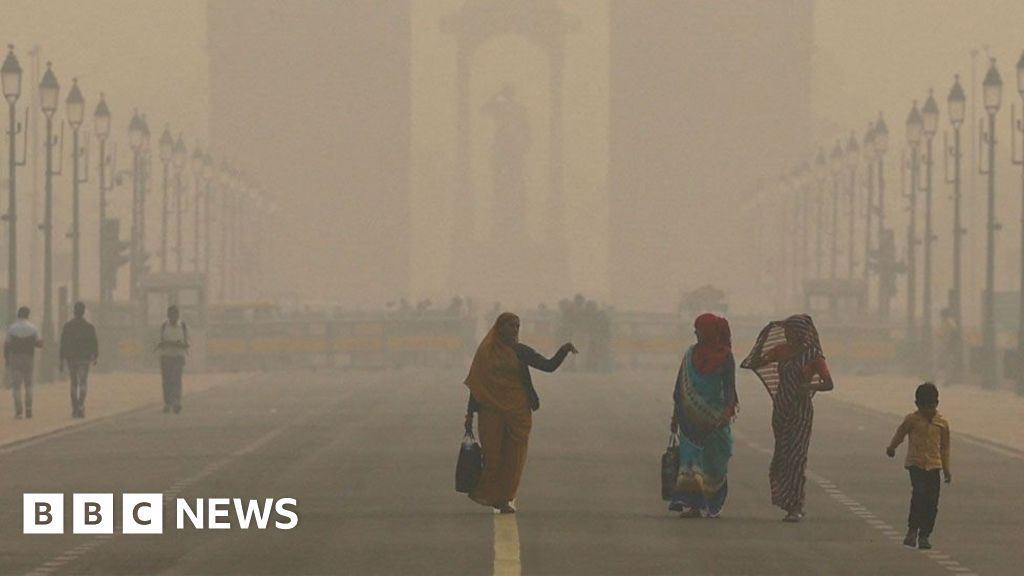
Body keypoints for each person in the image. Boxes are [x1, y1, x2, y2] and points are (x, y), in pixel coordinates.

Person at [463, 312, 577, 514]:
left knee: (514, 458)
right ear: (499, 328)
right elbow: (478, 385)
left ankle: (504, 498)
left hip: (518, 413)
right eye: (511, 326)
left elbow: (547, 366)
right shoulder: (486, 353)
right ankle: (488, 493)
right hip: (491, 413)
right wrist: (469, 415)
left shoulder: (520, 351)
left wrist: (563, 350)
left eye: (517, 326)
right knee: (493, 456)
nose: (515, 330)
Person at [742, 314, 834, 522]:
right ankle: (785, 499)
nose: (787, 334)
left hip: (800, 410)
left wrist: (808, 387)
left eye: (791, 331)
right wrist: (762, 343)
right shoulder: (781, 350)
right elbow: (755, 362)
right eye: (786, 331)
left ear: (801, 333)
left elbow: (828, 383)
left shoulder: (813, 355)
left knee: (796, 457)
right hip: (781, 408)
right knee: (783, 455)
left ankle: (796, 504)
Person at [669, 313, 738, 518]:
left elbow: (730, 387)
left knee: (714, 461)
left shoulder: (725, 356)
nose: (695, 333)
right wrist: (675, 416)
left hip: (715, 419)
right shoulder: (690, 354)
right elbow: (679, 388)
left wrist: (727, 411)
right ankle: (694, 505)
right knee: (691, 461)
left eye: (698, 329)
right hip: (689, 419)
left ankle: (712, 502)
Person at [886, 382, 951, 550]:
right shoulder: (912, 420)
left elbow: (945, 447)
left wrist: (947, 468)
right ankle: (912, 529)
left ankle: (925, 535)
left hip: (934, 466)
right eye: (924, 406)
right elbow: (900, 433)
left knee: (932, 502)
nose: (928, 410)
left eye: (931, 406)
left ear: (937, 403)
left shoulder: (942, 424)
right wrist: (892, 447)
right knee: (919, 495)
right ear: (917, 404)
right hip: (916, 464)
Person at [59, 302, 99, 418]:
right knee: (83, 382)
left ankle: (74, 407)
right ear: (83, 311)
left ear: (74, 311)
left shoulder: (68, 326)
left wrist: (61, 359)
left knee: (73, 383)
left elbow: (63, 344)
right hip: (84, 358)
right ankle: (81, 405)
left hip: (71, 358)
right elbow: (94, 343)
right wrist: (95, 356)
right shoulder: (89, 327)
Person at [5, 306, 43, 419]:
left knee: (16, 387)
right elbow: (40, 344)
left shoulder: (12, 328)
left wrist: (7, 359)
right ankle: (29, 409)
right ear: (28, 315)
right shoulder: (33, 328)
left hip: (15, 358)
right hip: (28, 358)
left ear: (18, 314)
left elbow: (6, 345)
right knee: (28, 385)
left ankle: (19, 411)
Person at [156, 305, 190, 414]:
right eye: (171, 316)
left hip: (178, 357)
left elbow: (187, 343)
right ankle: (167, 403)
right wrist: (166, 344)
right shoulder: (163, 326)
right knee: (166, 381)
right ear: (168, 316)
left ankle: (176, 401)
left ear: (178, 315)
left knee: (176, 379)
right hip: (166, 357)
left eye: (175, 315)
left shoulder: (183, 326)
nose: (173, 318)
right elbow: (158, 342)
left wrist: (180, 344)